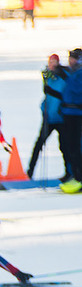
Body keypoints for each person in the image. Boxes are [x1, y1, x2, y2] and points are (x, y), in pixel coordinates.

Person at [27, 54, 68, 181]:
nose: (52, 65)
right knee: (39, 144)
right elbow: (47, 94)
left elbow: (62, 93)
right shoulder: (47, 75)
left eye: (54, 62)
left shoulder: (63, 75)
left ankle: (69, 172)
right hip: (49, 118)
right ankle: (30, 172)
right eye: (51, 62)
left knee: (65, 147)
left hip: (61, 118)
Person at [59, 49, 82, 194]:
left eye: (73, 58)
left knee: (75, 146)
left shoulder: (78, 74)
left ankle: (79, 177)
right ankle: (74, 174)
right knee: (68, 146)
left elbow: (76, 90)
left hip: (77, 114)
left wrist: (64, 75)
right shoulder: (73, 72)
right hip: (68, 113)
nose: (70, 61)